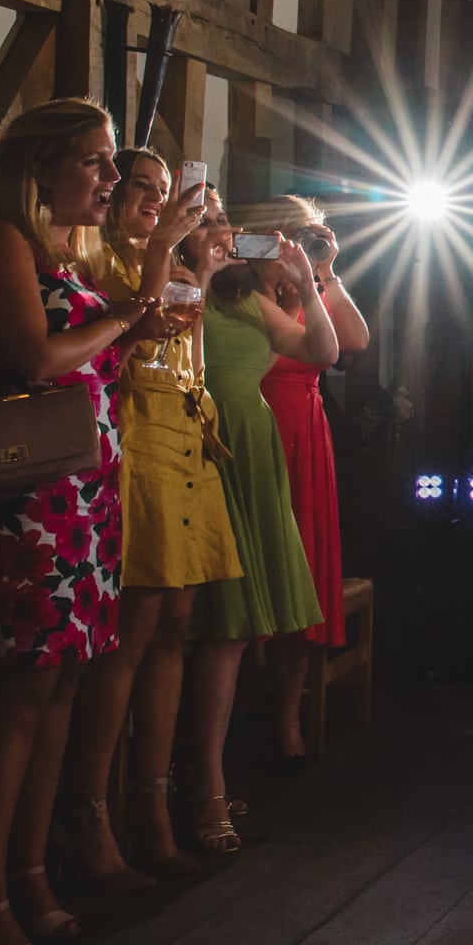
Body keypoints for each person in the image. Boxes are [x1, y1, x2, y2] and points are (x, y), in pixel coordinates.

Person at [0, 97, 146, 945]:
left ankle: (35, 874)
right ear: (43, 166)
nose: (109, 178)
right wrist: (131, 312)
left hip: (90, 493)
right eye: (97, 162)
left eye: (110, 164)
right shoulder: (2, 244)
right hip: (32, 500)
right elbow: (35, 361)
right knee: (19, 696)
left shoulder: (70, 253)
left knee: (64, 690)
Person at [54, 149, 234, 884]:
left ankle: (153, 801)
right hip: (136, 446)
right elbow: (114, 358)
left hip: (188, 445)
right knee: (131, 635)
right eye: (142, 190)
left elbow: (189, 361)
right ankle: (90, 813)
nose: (156, 203)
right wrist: (163, 258)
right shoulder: (101, 263)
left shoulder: (175, 268)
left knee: (175, 628)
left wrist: (200, 267)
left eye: (166, 193)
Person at [183, 191, 334, 839]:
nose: (226, 232)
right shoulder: (178, 288)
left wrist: (308, 280)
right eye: (214, 222)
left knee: (236, 627)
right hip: (202, 445)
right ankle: (194, 783)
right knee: (207, 624)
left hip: (252, 446)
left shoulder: (243, 294)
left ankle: (206, 779)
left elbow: (323, 348)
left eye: (227, 221)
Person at [250, 194, 371, 751]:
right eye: (296, 236)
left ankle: (286, 718)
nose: (303, 244)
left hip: (306, 430)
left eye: (311, 235)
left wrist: (322, 270)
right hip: (256, 426)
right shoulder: (240, 292)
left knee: (301, 576)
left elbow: (356, 342)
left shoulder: (308, 293)